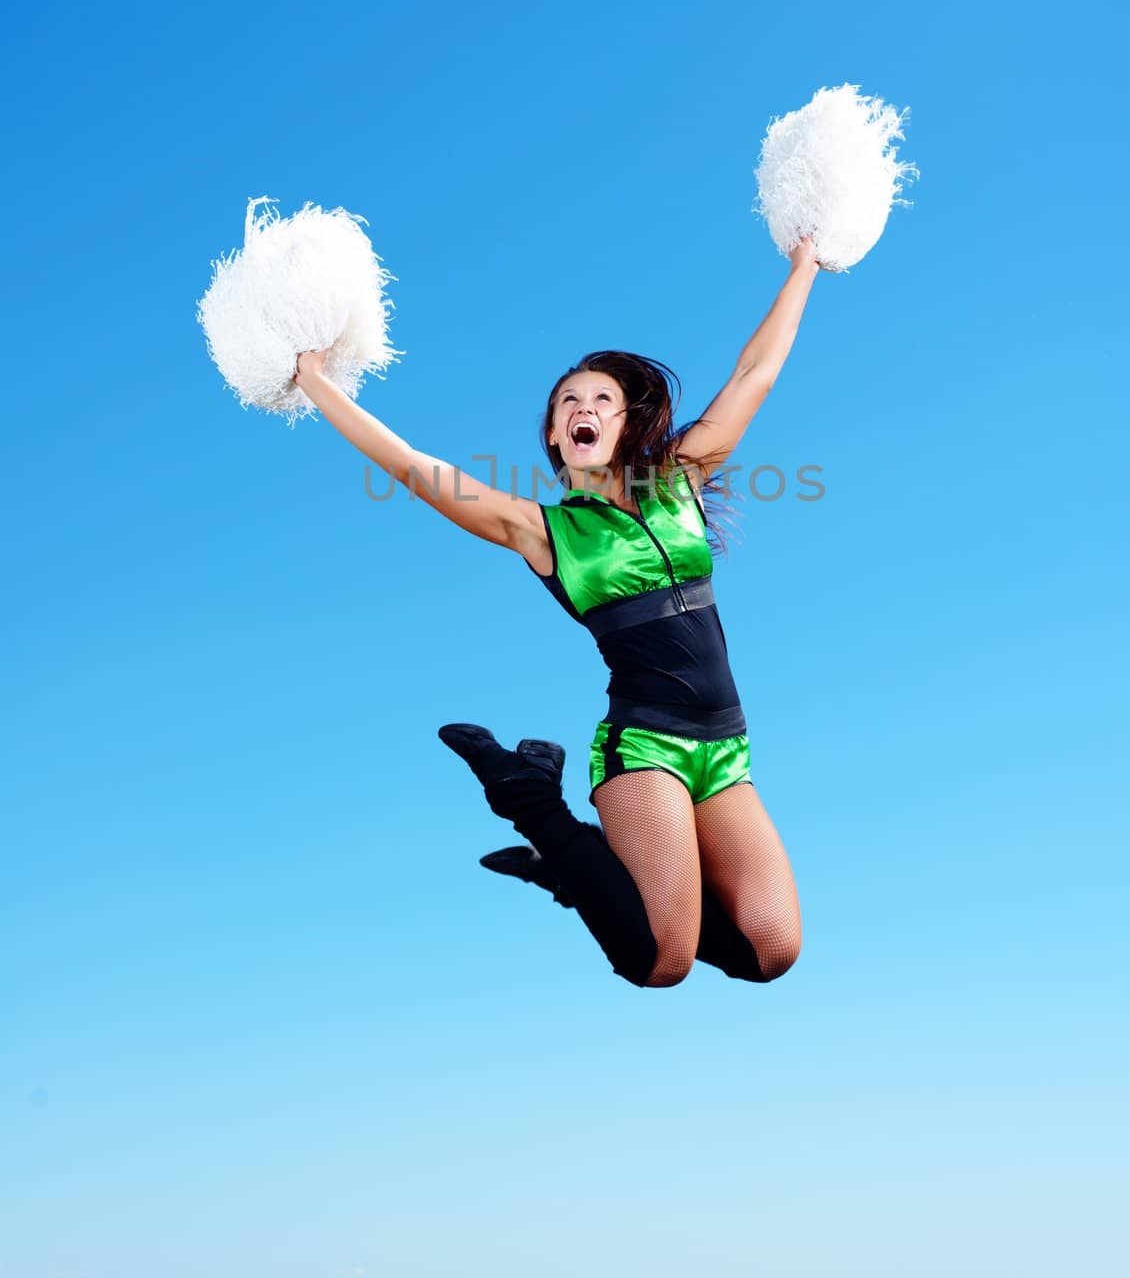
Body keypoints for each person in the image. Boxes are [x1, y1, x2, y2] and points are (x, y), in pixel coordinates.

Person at [293, 235, 821, 987]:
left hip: (725, 749)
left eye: (602, 399)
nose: (584, 407)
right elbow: (415, 468)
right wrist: (315, 382)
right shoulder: (541, 529)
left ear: (626, 424)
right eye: (568, 401)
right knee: (658, 962)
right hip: (645, 747)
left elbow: (756, 373)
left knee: (769, 952)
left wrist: (802, 263)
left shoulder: (679, 481)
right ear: (553, 432)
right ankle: (531, 796)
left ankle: (573, 874)